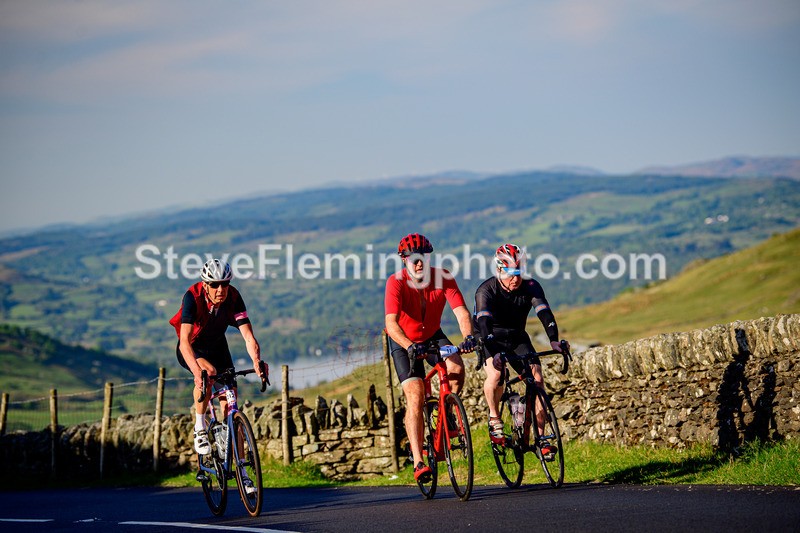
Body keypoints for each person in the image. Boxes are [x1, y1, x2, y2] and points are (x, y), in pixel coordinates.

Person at [384, 233, 476, 483]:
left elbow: (461, 312)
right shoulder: (396, 282)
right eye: (413, 259)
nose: (419, 263)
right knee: (415, 395)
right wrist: (409, 346)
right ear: (404, 260)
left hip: (433, 335)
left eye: (423, 257)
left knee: (456, 367)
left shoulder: (443, 277)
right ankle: (418, 461)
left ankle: (445, 412)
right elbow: (391, 324)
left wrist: (468, 337)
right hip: (404, 341)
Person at [474, 244, 568, 455]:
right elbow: (484, 324)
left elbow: (545, 313)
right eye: (509, 273)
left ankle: (541, 438)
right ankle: (494, 418)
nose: (515, 278)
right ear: (499, 270)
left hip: (516, 335)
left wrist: (554, 340)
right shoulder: (485, 290)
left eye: (518, 272)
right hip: (489, 335)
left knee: (537, 379)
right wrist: (494, 353)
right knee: (497, 374)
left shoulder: (531, 285)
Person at [169, 258, 265, 461]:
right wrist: (197, 373)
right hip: (192, 349)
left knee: (231, 406)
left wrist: (257, 362)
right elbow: (184, 342)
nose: (220, 289)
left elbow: (248, 337)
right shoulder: (193, 297)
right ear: (205, 285)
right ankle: (200, 427)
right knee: (208, 373)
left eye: (225, 284)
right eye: (214, 285)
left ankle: (242, 471)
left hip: (218, 347)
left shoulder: (234, 297)